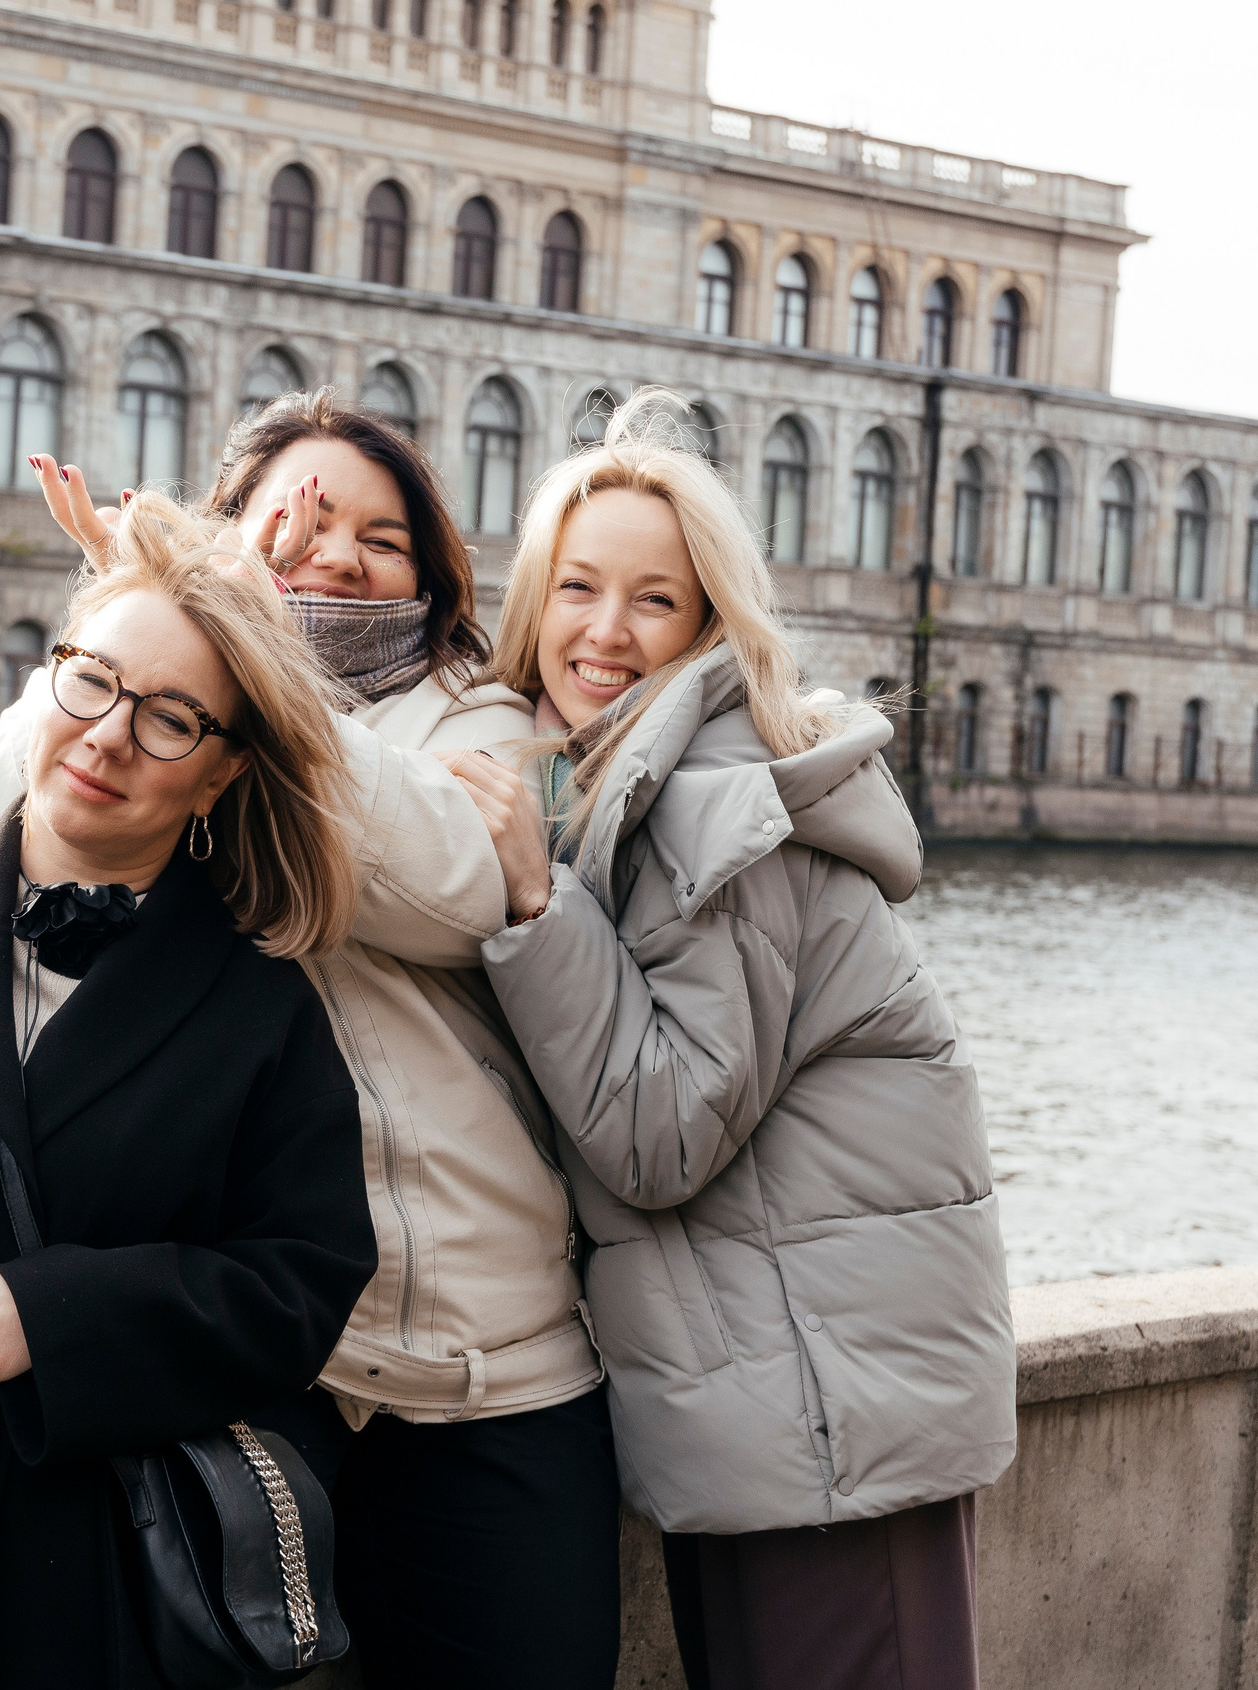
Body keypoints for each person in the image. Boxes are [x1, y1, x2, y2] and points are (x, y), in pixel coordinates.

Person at [0, 391, 620, 1690]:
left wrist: (244, 643)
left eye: (381, 535)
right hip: (246, 1378)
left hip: (470, 1366)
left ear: (434, 574)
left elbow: (454, 883)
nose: (337, 554)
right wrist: (123, 635)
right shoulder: (158, 713)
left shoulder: (480, 720)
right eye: (293, 520)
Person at [443, 388, 1017, 1690]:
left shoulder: (715, 808)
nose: (604, 629)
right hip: (790, 1401)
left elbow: (663, 1131)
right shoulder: (630, 786)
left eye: (654, 598)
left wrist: (536, 904)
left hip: (827, 1421)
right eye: (577, 586)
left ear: (709, 622)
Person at [0, 494, 377, 1690]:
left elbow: (300, 1289)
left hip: (102, 1575)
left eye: (169, 720)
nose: (105, 737)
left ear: (219, 776)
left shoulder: (263, 1009)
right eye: (89, 682)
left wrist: (51, 1317)